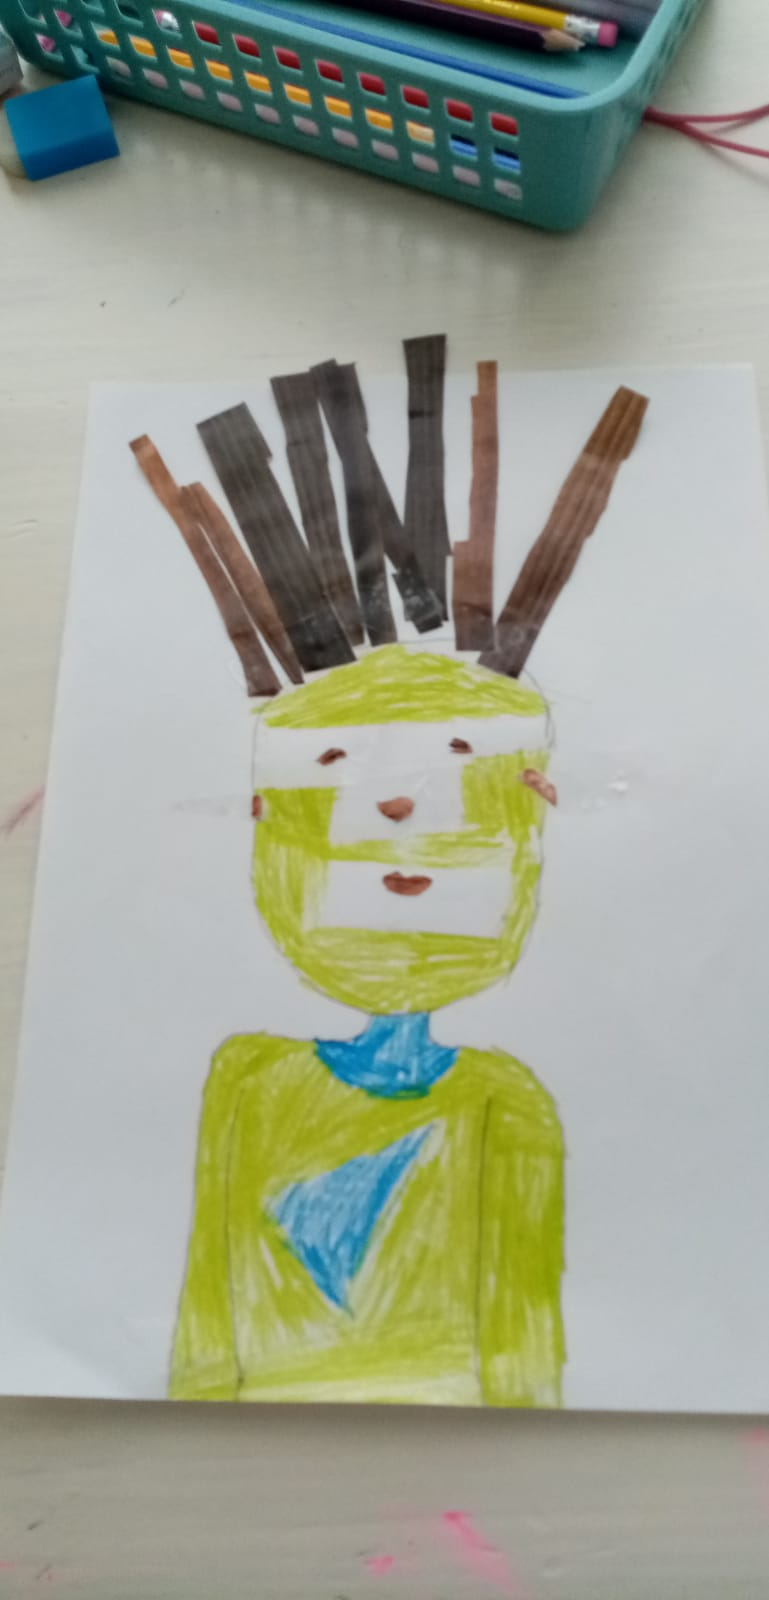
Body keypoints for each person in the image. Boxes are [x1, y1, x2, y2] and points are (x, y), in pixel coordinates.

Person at [169, 644, 564, 1406]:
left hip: (449, 1434)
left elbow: (521, 1342)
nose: (397, 813)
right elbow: (205, 1309)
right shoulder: (248, 1077)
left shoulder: (503, 1100)